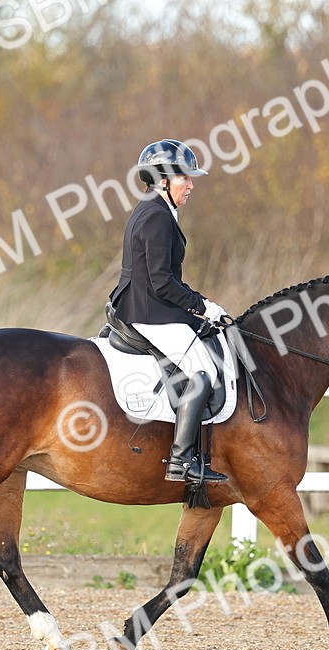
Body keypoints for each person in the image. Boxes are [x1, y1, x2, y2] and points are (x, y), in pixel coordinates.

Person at [108, 139, 230, 484]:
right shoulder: (156, 217)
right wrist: (203, 306)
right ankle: (181, 461)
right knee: (203, 371)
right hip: (147, 310)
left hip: (147, 303)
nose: (191, 185)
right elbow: (162, 282)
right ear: (162, 180)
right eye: (184, 178)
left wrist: (198, 309)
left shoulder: (155, 209)